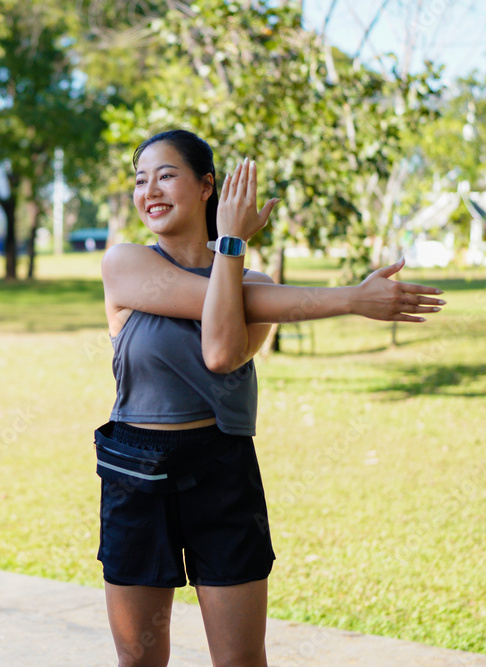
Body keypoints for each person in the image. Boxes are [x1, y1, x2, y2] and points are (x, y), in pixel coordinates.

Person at [96, 129, 445, 667]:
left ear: (207, 186)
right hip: (137, 474)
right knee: (140, 660)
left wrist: (232, 249)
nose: (150, 191)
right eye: (141, 180)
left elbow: (220, 352)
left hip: (220, 471)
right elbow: (223, 301)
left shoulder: (251, 283)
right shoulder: (124, 264)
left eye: (166, 175)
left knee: (240, 660)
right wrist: (349, 296)